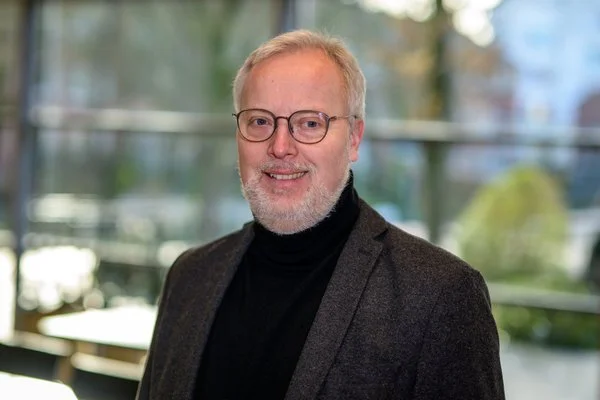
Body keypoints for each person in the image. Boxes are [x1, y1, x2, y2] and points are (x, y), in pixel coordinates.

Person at [136, 29, 505, 400]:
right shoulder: (189, 277)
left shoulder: (440, 296)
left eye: (310, 123)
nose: (280, 146)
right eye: (260, 121)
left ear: (354, 138)